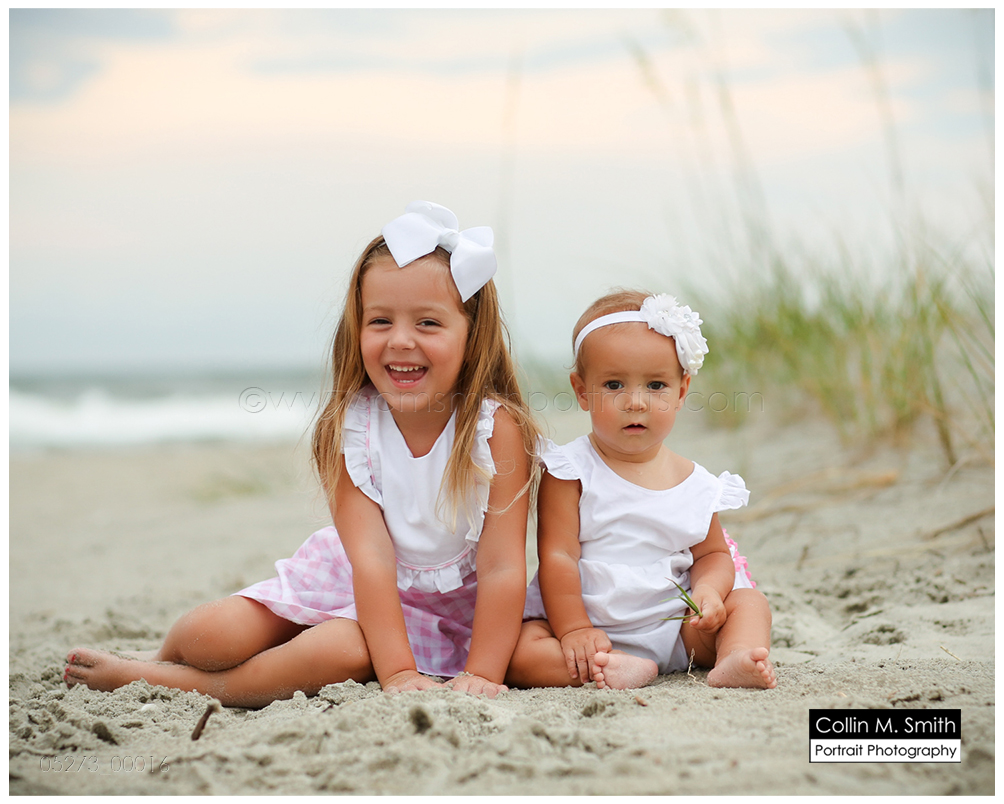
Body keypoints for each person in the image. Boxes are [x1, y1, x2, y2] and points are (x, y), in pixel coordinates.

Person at [65, 201, 540, 707]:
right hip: (353, 577)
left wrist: (472, 672)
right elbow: (371, 559)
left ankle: (174, 684)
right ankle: (161, 659)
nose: (401, 341)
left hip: (452, 612)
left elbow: (502, 566)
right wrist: (398, 672)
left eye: (428, 323)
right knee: (213, 636)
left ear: (472, 333)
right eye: (380, 321)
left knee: (340, 651)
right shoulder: (354, 425)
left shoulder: (495, 430)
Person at [506, 289, 775, 692]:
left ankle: (735, 656)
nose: (635, 402)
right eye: (614, 384)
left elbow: (714, 554)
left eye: (655, 385)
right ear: (582, 390)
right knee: (520, 654)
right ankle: (619, 666)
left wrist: (709, 590)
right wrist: (574, 628)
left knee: (749, 603)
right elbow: (558, 555)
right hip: (589, 629)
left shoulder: (696, 483)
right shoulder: (571, 471)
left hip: (678, 628)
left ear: (681, 391)